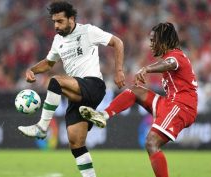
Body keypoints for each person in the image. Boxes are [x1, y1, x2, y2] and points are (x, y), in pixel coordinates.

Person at [18, 1, 125, 177]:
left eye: (60, 21)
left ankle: (42, 127)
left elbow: (117, 42)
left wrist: (119, 71)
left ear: (71, 19)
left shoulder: (88, 31)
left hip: (93, 85)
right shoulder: (58, 40)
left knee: (55, 82)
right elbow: (49, 63)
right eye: (54, 21)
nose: (56, 26)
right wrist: (32, 70)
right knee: (76, 143)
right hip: (77, 93)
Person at [79, 22, 198, 177]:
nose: (151, 44)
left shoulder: (176, 56)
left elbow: (170, 63)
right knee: (136, 91)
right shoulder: (172, 56)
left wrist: (147, 68)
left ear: (164, 40)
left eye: (154, 40)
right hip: (170, 102)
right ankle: (103, 115)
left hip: (182, 106)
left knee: (152, 142)